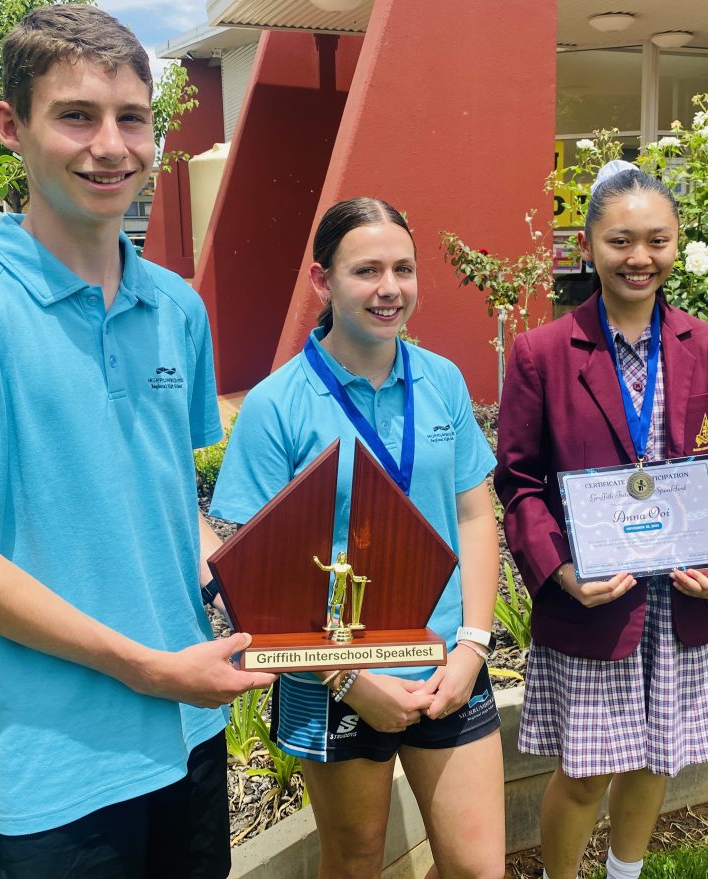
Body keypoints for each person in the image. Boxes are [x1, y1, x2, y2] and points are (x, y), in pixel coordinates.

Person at [0, 7, 276, 877]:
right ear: (13, 126)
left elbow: (168, 504)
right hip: (57, 769)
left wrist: (255, 577)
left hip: (188, 730)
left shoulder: (178, 308)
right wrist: (147, 667)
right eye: (76, 115)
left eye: (132, 118)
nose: (109, 145)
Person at [209, 197, 505, 879]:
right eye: (366, 270)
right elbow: (257, 580)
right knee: (355, 858)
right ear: (323, 281)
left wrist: (472, 646)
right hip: (331, 677)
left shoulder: (443, 381)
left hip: (445, 665)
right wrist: (349, 677)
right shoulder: (276, 404)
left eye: (403, 268)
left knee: (479, 867)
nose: (390, 288)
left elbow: (473, 515)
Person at [494, 161, 708, 879]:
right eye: (620, 241)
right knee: (584, 774)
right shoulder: (541, 354)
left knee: (656, 754)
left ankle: (624, 873)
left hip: (681, 593)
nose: (639, 257)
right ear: (587, 246)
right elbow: (517, 480)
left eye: (657, 240)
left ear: (676, 244)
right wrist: (560, 570)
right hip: (596, 597)